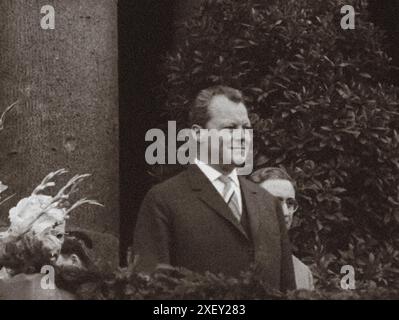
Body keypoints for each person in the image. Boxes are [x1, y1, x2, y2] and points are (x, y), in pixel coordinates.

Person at [133, 85, 296, 292]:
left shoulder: (268, 203)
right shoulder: (164, 200)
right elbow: (151, 294)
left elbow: (288, 290)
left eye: (246, 128)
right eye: (230, 128)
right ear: (198, 134)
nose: (243, 136)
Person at [250, 167, 315, 290]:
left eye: (290, 203)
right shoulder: (231, 258)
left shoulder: (302, 273)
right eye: (275, 202)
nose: (285, 212)